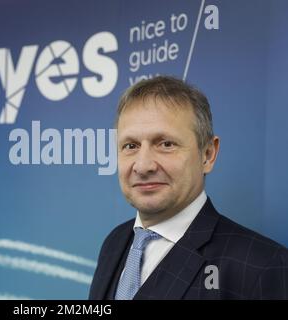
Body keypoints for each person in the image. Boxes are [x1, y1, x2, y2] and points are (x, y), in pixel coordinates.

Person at [89, 76, 288, 300]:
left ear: (208, 155)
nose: (143, 166)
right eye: (130, 146)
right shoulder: (114, 243)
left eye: (166, 144)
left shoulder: (262, 267)